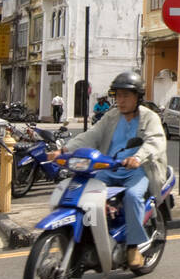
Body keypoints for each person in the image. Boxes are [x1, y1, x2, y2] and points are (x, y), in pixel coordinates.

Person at [52, 72, 166, 268]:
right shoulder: (111, 116)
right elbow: (91, 135)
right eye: (118, 96)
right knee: (82, 191)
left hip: (138, 171)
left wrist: (137, 158)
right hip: (110, 168)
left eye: (126, 96)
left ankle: (133, 247)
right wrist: (64, 149)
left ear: (137, 97)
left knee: (132, 196)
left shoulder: (149, 117)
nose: (120, 101)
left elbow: (155, 141)